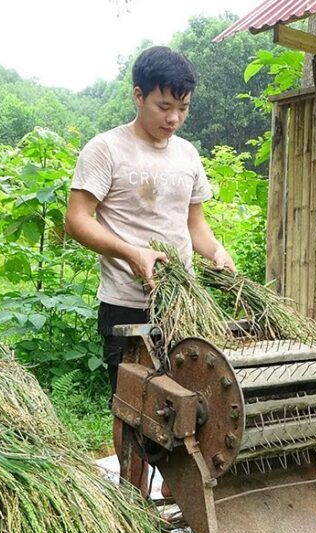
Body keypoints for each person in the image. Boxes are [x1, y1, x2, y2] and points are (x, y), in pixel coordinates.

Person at [63, 46, 235, 498]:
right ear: (138, 96)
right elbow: (77, 220)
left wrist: (216, 252)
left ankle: (178, 496)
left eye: (183, 108)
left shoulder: (188, 155)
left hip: (181, 307)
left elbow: (194, 224)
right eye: (163, 106)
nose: (174, 118)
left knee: (192, 403)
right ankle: (133, 502)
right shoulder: (106, 149)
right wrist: (131, 253)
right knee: (135, 407)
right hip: (128, 304)